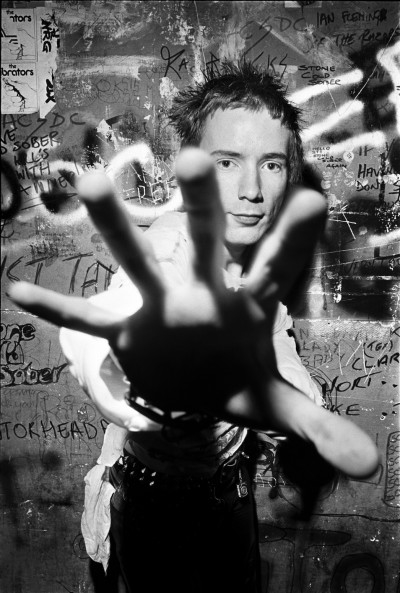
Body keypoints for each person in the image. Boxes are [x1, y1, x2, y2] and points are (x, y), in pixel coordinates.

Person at [9, 61, 379, 593]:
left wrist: (300, 411)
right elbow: (116, 333)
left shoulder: (254, 267)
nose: (251, 188)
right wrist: (139, 375)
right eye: (227, 162)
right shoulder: (171, 249)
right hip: (161, 517)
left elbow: (275, 346)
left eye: (271, 164)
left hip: (229, 501)